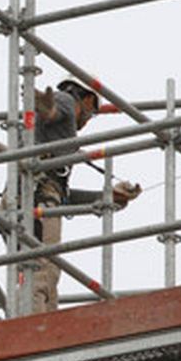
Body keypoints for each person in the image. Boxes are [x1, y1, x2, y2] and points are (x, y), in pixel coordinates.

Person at [30, 79, 141, 312]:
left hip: (31, 198)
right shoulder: (68, 101)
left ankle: (38, 325)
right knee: (44, 271)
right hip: (40, 200)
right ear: (89, 100)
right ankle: (37, 332)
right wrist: (47, 109)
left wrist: (106, 197)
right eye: (92, 114)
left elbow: (64, 194)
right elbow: (54, 110)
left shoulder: (56, 139)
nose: (86, 122)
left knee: (35, 270)